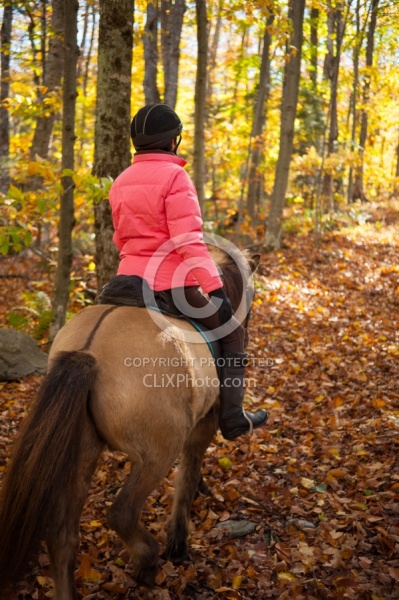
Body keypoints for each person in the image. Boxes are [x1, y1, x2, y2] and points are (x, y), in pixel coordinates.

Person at [109, 103, 267, 440]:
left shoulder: (120, 180)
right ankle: (233, 417)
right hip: (170, 284)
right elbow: (188, 241)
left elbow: (119, 238)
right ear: (171, 142)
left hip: (124, 281)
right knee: (233, 331)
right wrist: (215, 290)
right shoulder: (175, 176)